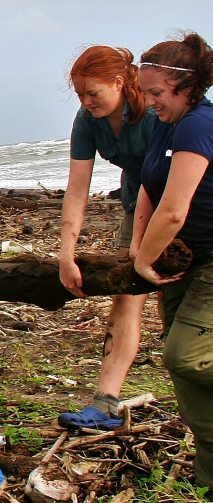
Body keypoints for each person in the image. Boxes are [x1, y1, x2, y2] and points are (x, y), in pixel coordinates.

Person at [57, 46, 157, 430]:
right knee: (126, 293)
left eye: (92, 93)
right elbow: (77, 187)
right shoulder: (87, 119)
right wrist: (67, 253)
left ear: (119, 82)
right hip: (138, 201)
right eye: (80, 94)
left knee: (176, 300)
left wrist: (145, 242)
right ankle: (105, 404)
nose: (85, 102)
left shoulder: (152, 110)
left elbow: (167, 174)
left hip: (188, 198)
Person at [133, 32, 213, 487]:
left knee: (187, 356)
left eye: (157, 93)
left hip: (211, 259)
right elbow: (150, 183)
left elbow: (176, 207)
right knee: (188, 383)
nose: (150, 101)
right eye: (146, 92)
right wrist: (137, 245)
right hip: (185, 261)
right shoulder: (166, 123)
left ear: (187, 87)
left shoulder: (199, 124)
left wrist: (144, 260)